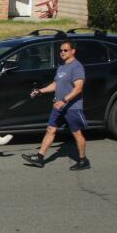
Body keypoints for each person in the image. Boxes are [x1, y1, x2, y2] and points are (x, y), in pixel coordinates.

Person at [22, 40, 90, 171]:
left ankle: (83, 161)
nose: (62, 53)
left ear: (73, 51)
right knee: (50, 130)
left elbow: (78, 88)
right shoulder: (62, 66)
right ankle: (40, 157)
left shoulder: (77, 67)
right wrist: (40, 91)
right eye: (61, 50)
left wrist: (64, 100)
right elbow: (56, 84)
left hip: (71, 107)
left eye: (65, 50)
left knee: (76, 133)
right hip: (58, 105)